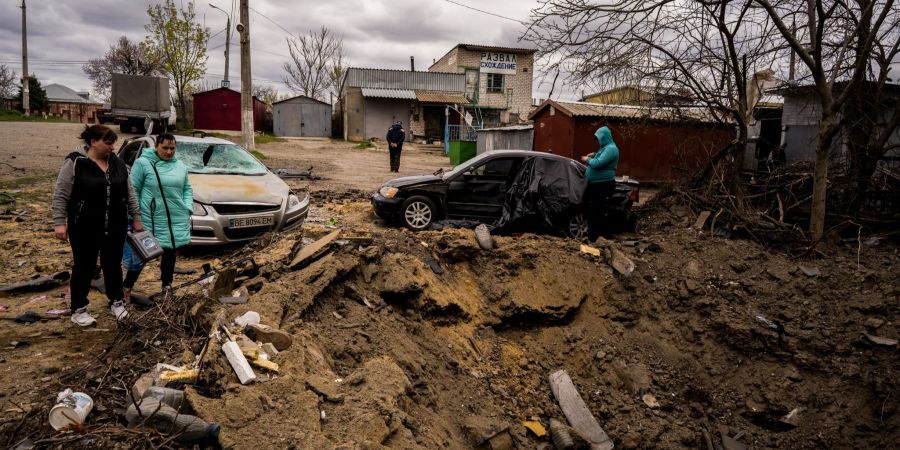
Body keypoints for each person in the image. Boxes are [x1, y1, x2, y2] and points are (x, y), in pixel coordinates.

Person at [52, 125, 142, 326]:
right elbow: (61, 194)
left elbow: (130, 194)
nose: (112, 147)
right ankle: (78, 309)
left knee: (112, 265)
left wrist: (137, 217)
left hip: (115, 225)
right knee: (84, 266)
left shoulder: (117, 163)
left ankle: (117, 302)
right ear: (93, 142)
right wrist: (59, 222)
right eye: (108, 143)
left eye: (113, 143)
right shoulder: (75, 162)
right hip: (84, 226)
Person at [124, 133, 192, 299]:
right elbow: (133, 191)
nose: (169, 152)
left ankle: (166, 286)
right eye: (165, 148)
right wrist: (135, 217)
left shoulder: (181, 166)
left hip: (175, 219)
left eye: (172, 148)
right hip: (149, 220)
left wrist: (187, 207)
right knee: (141, 256)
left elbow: (187, 189)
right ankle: (126, 287)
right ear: (156, 147)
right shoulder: (143, 164)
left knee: (169, 254)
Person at [581, 126, 620, 237]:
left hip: (602, 185)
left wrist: (587, 159)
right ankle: (594, 235)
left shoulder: (611, 149)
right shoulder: (606, 148)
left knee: (598, 211)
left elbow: (598, 163)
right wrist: (594, 155)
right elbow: (600, 157)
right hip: (597, 185)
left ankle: (597, 237)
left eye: (599, 139)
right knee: (593, 210)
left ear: (604, 137)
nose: (598, 141)